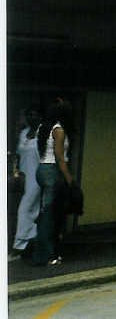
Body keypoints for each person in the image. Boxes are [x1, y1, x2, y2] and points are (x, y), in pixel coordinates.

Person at [33, 98, 74, 266]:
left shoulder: (43, 127)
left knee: (47, 211)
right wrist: (70, 179)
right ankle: (47, 255)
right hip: (52, 171)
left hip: (42, 169)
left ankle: (47, 251)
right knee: (49, 214)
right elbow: (59, 157)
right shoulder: (59, 130)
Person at [10, 107, 42, 261]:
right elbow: (16, 155)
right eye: (29, 113)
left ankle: (19, 247)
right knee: (30, 211)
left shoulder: (43, 133)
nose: (31, 116)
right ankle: (33, 240)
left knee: (25, 210)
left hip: (37, 178)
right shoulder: (23, 133)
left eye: (34, 113)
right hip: (23, 177)